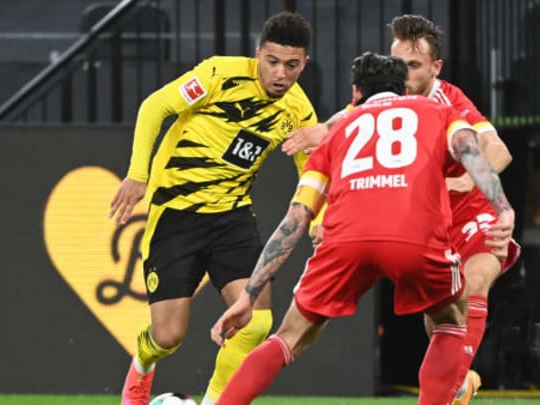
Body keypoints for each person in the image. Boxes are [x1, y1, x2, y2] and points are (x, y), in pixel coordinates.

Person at [210, 52, 516, 405]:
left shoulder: (337, 133)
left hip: (345, 240)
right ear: (404, 90)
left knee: (287, 337)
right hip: (414, 238)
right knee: (451, 320)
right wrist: (502, 207)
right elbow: (469, 149)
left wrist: (249, 294)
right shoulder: (437, 111)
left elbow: (295, 220)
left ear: (355, 93)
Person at [281, 14, 521, 404]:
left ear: (435, 68)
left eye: (414, 65)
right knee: (439, 320)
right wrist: (319, 132)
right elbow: (344, 136)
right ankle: (459, 381)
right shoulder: (382, 102)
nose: (404, 73)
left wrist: (467, 180)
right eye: (399, 64)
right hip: (429, 224)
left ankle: (456, 384)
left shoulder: (451, 101)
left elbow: (499, 151)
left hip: (474, 214)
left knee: (476, 284)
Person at [108, 11, 316, 405]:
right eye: (272, 61)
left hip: (232, 218)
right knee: (168, 337)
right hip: (177, 215)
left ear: (303, 64)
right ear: (258, 55)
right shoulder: (219, 74)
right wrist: (138, 174)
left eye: (291, 65)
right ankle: (143, 362)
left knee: (257, 321)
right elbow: (155, 107)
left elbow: (311, 171)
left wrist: (319, 216)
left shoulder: (298, 111)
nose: (280, 74)